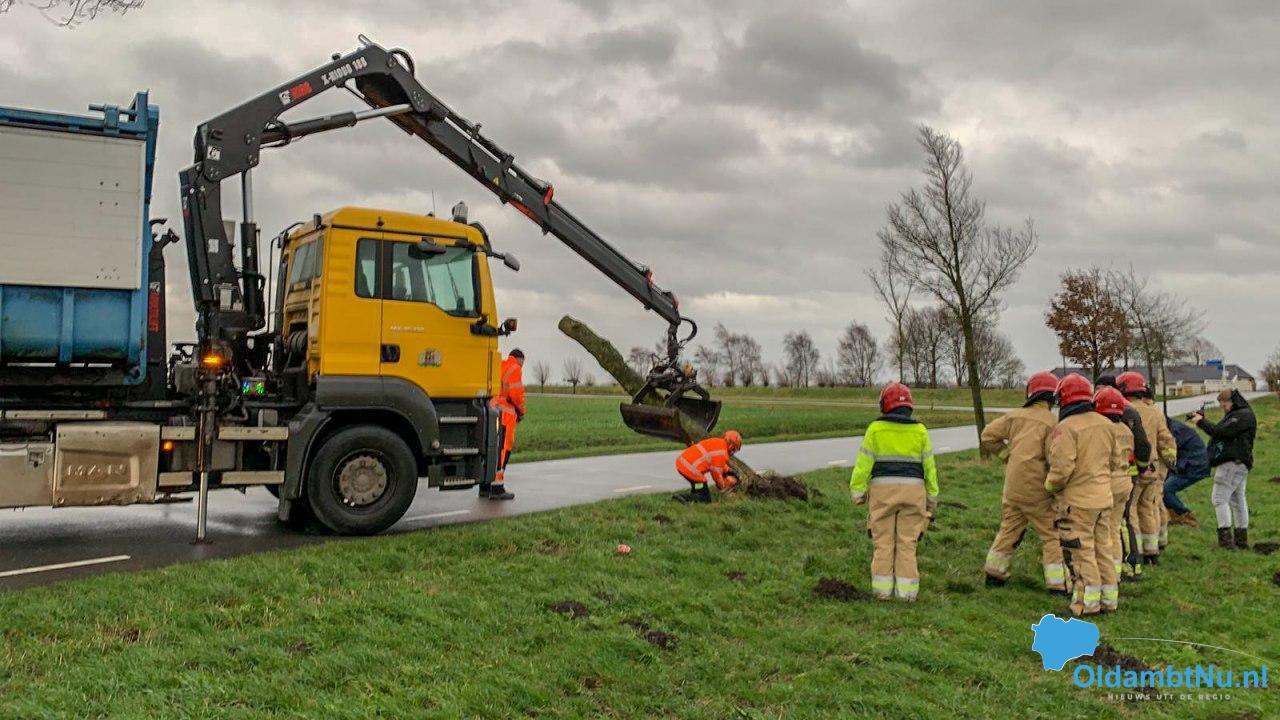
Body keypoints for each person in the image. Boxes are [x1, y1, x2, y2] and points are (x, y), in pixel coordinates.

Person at [979, 371, 1066, 595]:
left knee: (1009, 529)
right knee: (1051, 534)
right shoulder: (1053, 423)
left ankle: (994, 574)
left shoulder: (1013, 416)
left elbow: (988, 435)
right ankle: (1058, 583)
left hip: (1013, 486)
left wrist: (1006, 455)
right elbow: (1054, 455)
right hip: (1038, 489)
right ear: (1052, 397)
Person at [850, 382, 939, 602]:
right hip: (914, 494)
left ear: (884, 405)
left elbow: (863, 465)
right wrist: (932, 498)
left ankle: (882, 592)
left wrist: (858, 492)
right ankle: (907, 594)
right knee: (908, 543)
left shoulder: (875, 429)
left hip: (882, 494)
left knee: (883, 543)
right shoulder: (920, 431)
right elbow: (930, 468)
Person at [1044, 373, 1114, 617]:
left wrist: (1050, 487)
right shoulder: (1107, 424)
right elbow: (1115, 462)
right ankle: (1109, 599)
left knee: (1082, 552)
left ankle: (1087, 604)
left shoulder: (1066, 428)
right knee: (1103, 549)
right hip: (1105, 498)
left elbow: (1062, 469)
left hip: (1078, 502)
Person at [1116, 371, 1176, 564]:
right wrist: (1169, 462)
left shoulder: (1125, 410)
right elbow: (1166, 440)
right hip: (1155, 468)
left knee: (1131, 509)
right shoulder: (1155, 410)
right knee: (1149, 507)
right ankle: (1153, 549)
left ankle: (1137, 552)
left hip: (1134, 468)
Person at [1096, 374, 1151, 580]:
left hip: (1112, 477)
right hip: (1127, 475)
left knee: (1117, 522)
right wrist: (1142, 467)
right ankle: (1123, 566)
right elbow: (1143, 445)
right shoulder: (1128, 414)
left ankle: (1128, 564)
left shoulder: (1103, 415)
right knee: (1120, 522)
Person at [1190, 389, 1256, 550]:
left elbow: (1220, 432)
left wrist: (1201, 422)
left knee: (1219, 499)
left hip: (1231, 464)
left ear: (1232, 401)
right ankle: (1241, 540)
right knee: (1237, 499)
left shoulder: (1242, 415)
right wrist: (1203, 420)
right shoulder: (1241, 414)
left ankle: (1226, 542)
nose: (1222, 406)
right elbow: (1221, 429)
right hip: (1239, 463)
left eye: (1223, 403)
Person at [1093, 386, 1133, 613]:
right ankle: (1115, 573)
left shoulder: (1101, 428)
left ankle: (1101, 575)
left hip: (1106, 481)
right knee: (1116, 528)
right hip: (1124, 480)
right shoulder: (1126, 428)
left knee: (1102, 532)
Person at [486, 348, 526, 500]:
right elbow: (516, 395)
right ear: (519, 359)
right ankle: (497, 487)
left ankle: (485, 486)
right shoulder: (515, 368)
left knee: (492, 447)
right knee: (503, 449)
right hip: (506, 414)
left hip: (493, 408)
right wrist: (521, 411)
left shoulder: (500, 365)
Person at [1163, 417, 1211, 528]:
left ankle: (1186, 515)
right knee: (1163, 485)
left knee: (1165, 489)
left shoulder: (1174, 430)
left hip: (1194, 465)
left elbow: (1170, 448)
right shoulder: (1172, 426)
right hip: (1189, 462)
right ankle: (1174, 516)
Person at [674, 431, 742, 503]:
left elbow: (716, 462)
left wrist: (727, 470)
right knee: (705, 498)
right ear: (731, 445)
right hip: (690, 469)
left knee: (699, 487)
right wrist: (723, 487)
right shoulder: (722, 453)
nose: (733, 451)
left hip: (683, 462)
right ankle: (681, 498)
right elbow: (717, 476)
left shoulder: (718, 443)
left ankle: (691, 499)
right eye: (734, 449)